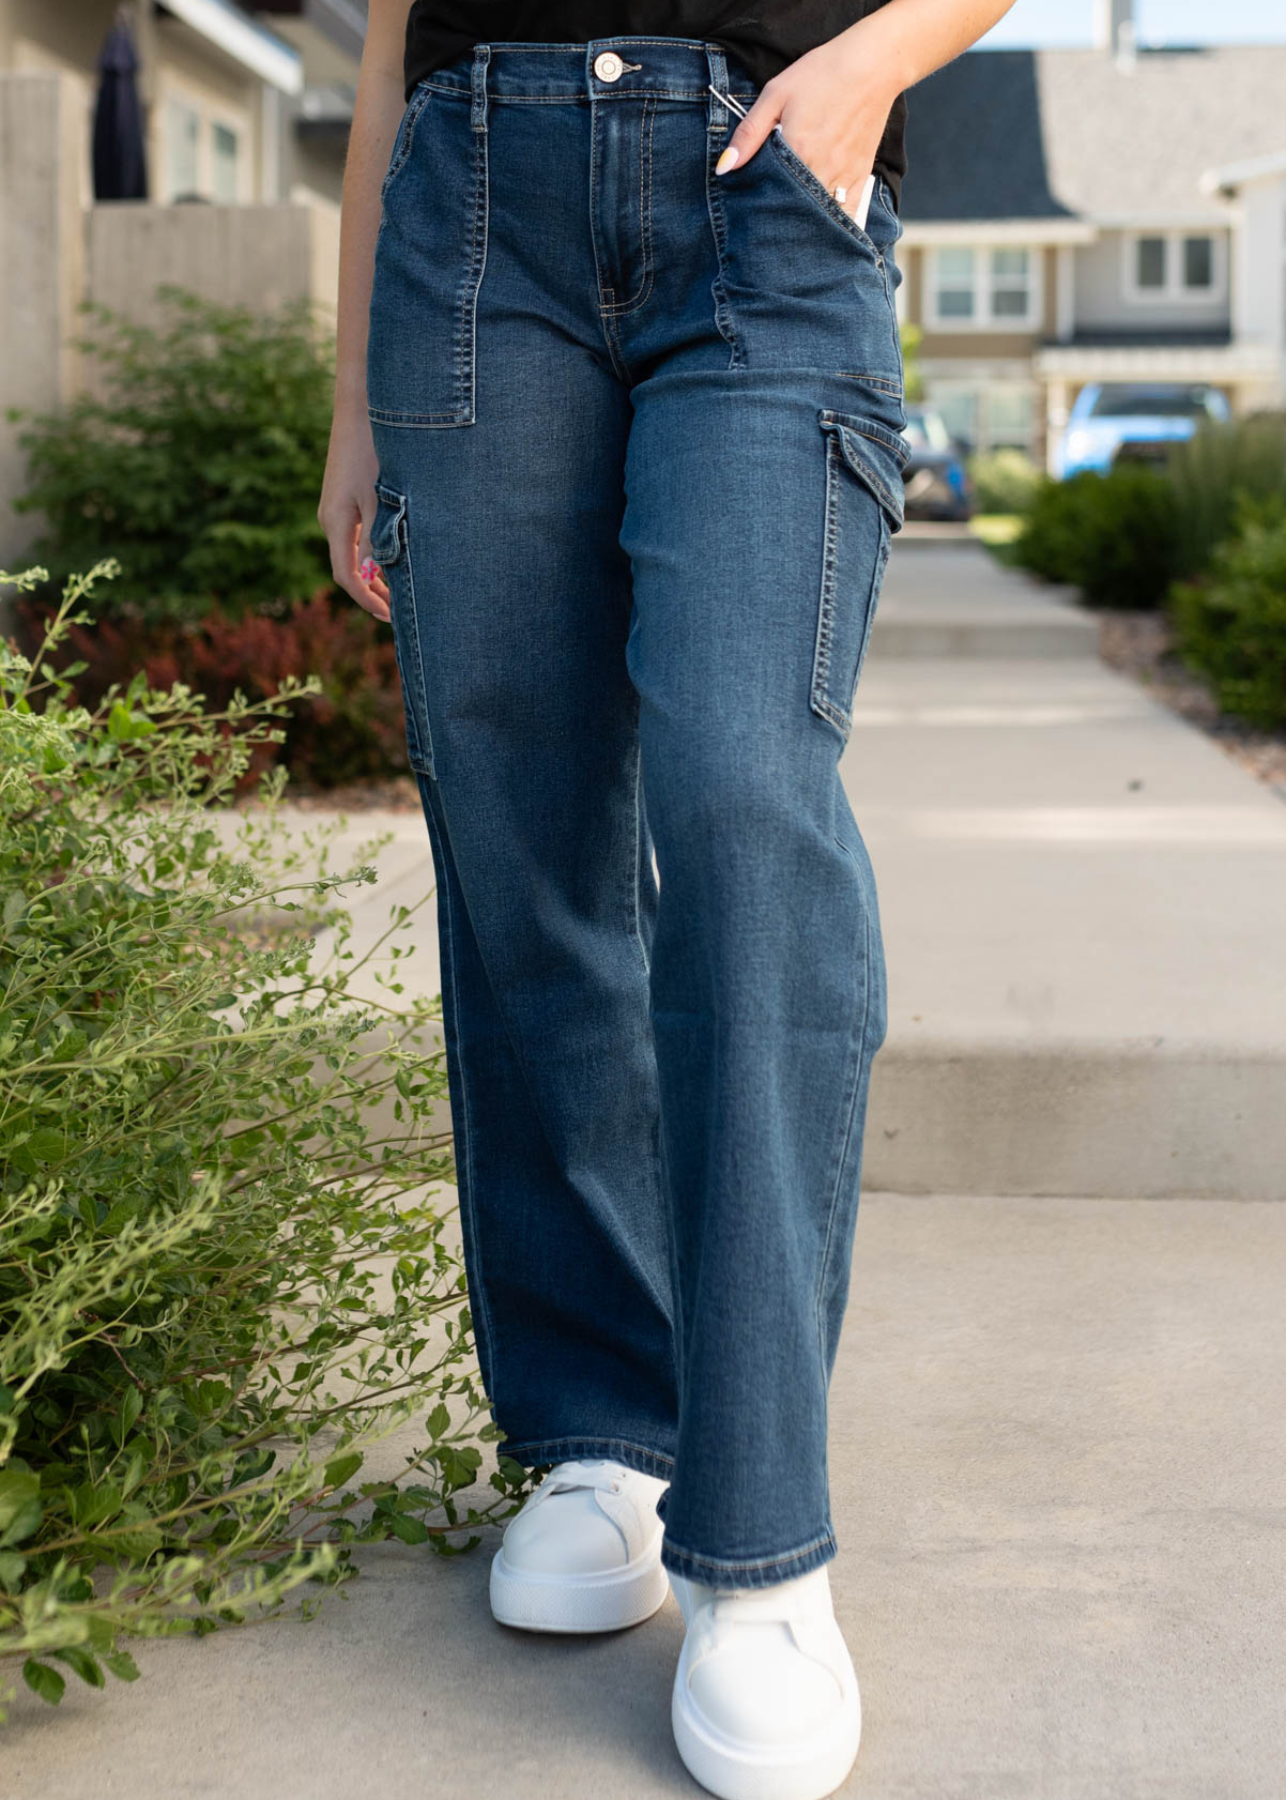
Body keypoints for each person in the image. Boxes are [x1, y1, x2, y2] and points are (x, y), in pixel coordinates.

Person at [320, 4, 1016, 1795]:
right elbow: (390, 39)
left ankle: (760, 1544)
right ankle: (601, 1433)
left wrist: (869, 71)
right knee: (518, 826)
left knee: (738, 788)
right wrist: (349, 410)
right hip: (474, 212)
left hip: (766, 190)